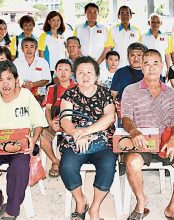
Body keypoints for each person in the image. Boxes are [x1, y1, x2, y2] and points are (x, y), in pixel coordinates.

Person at [121, 49, 174, 220]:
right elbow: (125, 118)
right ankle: (141, 201)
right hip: (141, 142)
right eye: (147, 64)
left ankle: (172, 208)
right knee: (131, 163)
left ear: (162, 66)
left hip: (166, 141)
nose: (151, 67)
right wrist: (133, 131)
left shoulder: (171, 92)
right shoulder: (130, 91)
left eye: (155, 63)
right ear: (141, 67)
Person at [0, 60, 47, 220]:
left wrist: (33, 139)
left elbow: (38, 123)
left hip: (22, 147)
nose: (5, 84)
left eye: (9, 79)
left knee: (18, 168)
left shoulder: (26, 95)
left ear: (16, 79)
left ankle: (11, 210)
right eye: (0, 80)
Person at [59, 56, 117, 220]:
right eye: (81, 72)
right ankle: (80, 201)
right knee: (67, 166)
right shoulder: (70, 94)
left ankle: (94, 208)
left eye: (89, 72)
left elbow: (109, 118)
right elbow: (65, 120)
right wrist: (77, 134)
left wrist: (85, 132)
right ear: (75, 75)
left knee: (107, 165)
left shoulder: (104, 92)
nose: (85, 76)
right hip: (76, 141)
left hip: (102, 142)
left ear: (97, 76)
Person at [40, 59, 77, 177]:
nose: (63, 73)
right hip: (55, 121)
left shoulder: (78, 87)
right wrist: (50, 122)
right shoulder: (52, 89)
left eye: (66, 70)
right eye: (60, 69)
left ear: (71, 72)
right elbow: (48, 108)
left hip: (73, 121)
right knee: (43, 139)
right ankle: (55, 161)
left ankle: (69, 163)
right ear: (55, 71)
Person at [14, 37, 51, 103]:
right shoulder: (16, 62)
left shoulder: (42, 62)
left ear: (36, 49)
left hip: (39, 96)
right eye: (26, 47)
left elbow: (47, 80)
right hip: (20, 94)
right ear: (22, 49)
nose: (29, 50)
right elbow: (13, 79)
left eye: (31, 47)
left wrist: (34, 84)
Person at [141, 13, 172, 81]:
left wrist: (169, 69)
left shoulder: (165, 37)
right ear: (149, 23)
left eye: (158, 22)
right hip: (147, 70)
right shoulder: (143, 37)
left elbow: (167, 54)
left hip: (161, 70)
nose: (155, 24)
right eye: (153, 22)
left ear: (161, 23)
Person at [38, 11, 66, 78]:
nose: (56, 23)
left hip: (62, 69)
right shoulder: (43, 36)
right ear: (48, 22)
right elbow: (41, 55)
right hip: (50, 70)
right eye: (53, 20)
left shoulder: (62, 36)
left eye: (58, 20)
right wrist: (45, 69)